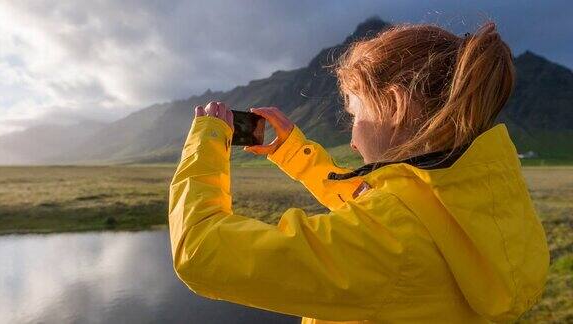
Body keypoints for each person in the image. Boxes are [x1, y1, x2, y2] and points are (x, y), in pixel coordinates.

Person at [168, 20, 549, 323]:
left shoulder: (390, 243)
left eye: (355, 114)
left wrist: (207, 139)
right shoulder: (483, 197)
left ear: (395, 107)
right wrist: (293, 153)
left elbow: (201, 252)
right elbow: (386, 205)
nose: (352, 139)